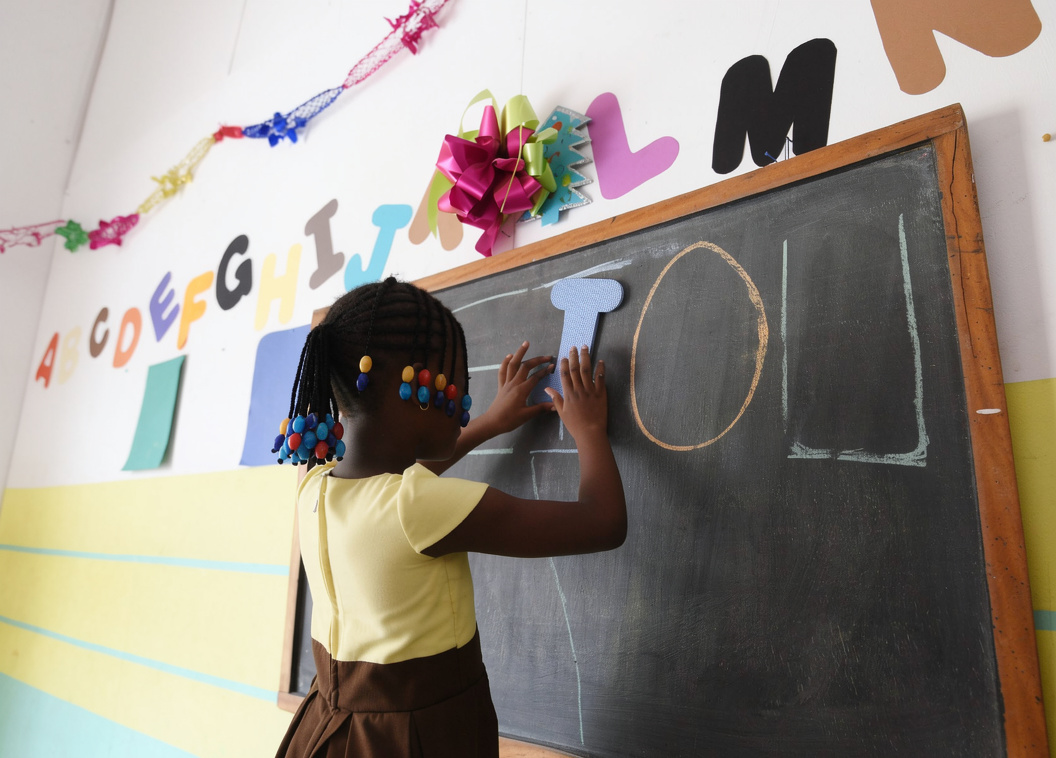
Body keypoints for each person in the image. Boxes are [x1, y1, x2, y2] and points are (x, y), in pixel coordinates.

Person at [273, 277, 626, 758]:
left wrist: (490, 424)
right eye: (456, 388)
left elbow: (406, 483)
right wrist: (588, 430)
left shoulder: (316, 487)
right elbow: (603, 522)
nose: (464, 407)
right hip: (417, 739)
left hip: (331, 728)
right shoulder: (415, 507)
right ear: (418, 390)